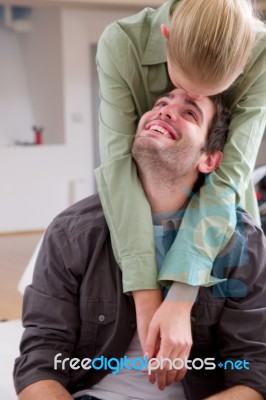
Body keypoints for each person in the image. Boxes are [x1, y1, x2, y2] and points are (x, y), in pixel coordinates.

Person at [14, 89, 266, 400]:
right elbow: (39, 363)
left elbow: (256, 373)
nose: (164, 111)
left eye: (190, 113)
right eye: (161, 103)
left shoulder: (245, 243)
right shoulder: (72, 232)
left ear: (209, 159)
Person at [94, 0, 266, 367]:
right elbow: (118, 165)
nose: (169, 107)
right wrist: (145, 295)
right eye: (170, 92)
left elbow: (229, 175)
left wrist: (183, 293)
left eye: (192, 109)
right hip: (132, 224)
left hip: (221, 232)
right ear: (166, 37)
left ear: (245, 59)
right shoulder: (121, 43)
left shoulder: (261, 53)